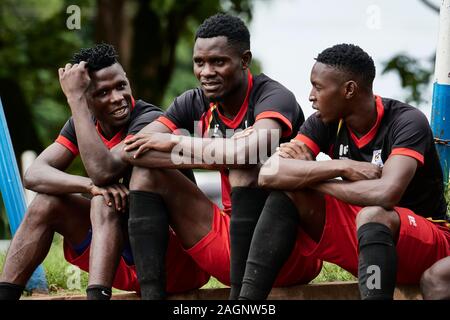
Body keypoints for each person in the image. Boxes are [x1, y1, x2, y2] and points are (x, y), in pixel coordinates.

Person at [121, 13, 322, 300]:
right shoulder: (192, 101)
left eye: (218, 62)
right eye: (199, 62)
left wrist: (174, 142)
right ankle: (152, 296)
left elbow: (247, 153)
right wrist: (215, 153)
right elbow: (134, 149)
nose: (206, 72)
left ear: (244, 60)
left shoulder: (273, 96)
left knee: (245, 168)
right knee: (145, 174)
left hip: (286, 252)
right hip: (229, 240)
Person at [239, 43, 450, 300]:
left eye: (318, 87)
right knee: (289, 192)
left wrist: (311, 179)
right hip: (368, 240)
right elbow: (269, 173)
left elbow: (386, 193)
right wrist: (341, 166)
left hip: (425, 241)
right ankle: (245, 303)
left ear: (349, 89)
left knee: (374, 213)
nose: (310, 96)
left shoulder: (406, 121)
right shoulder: (324, 121)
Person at [0, 44, 209, 300]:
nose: (117, 97)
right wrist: (88, 185)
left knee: (103, 200)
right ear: (87, 100)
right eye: (103, 92)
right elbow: (34, 175)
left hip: (174, 264)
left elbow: (104, 171)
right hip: (124, 260)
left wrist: (75, 99)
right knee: (46, 203)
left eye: (121, 86)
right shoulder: (83, 123)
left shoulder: (150, 120)